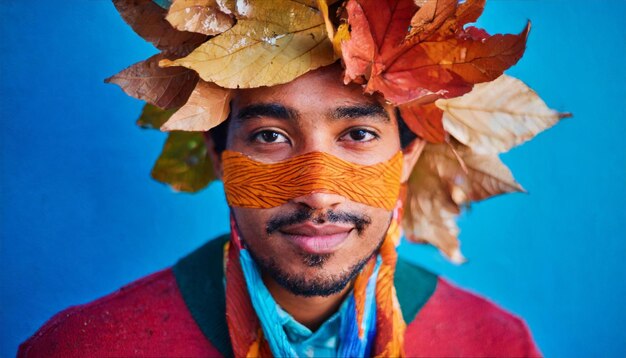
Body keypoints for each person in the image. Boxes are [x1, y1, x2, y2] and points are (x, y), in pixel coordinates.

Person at [20, 0, 563, 356]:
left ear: (410, 158)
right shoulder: (87, 347)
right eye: (270, 137)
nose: (319, 192)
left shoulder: (494, 344)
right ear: (216, 154)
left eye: (358, 134)